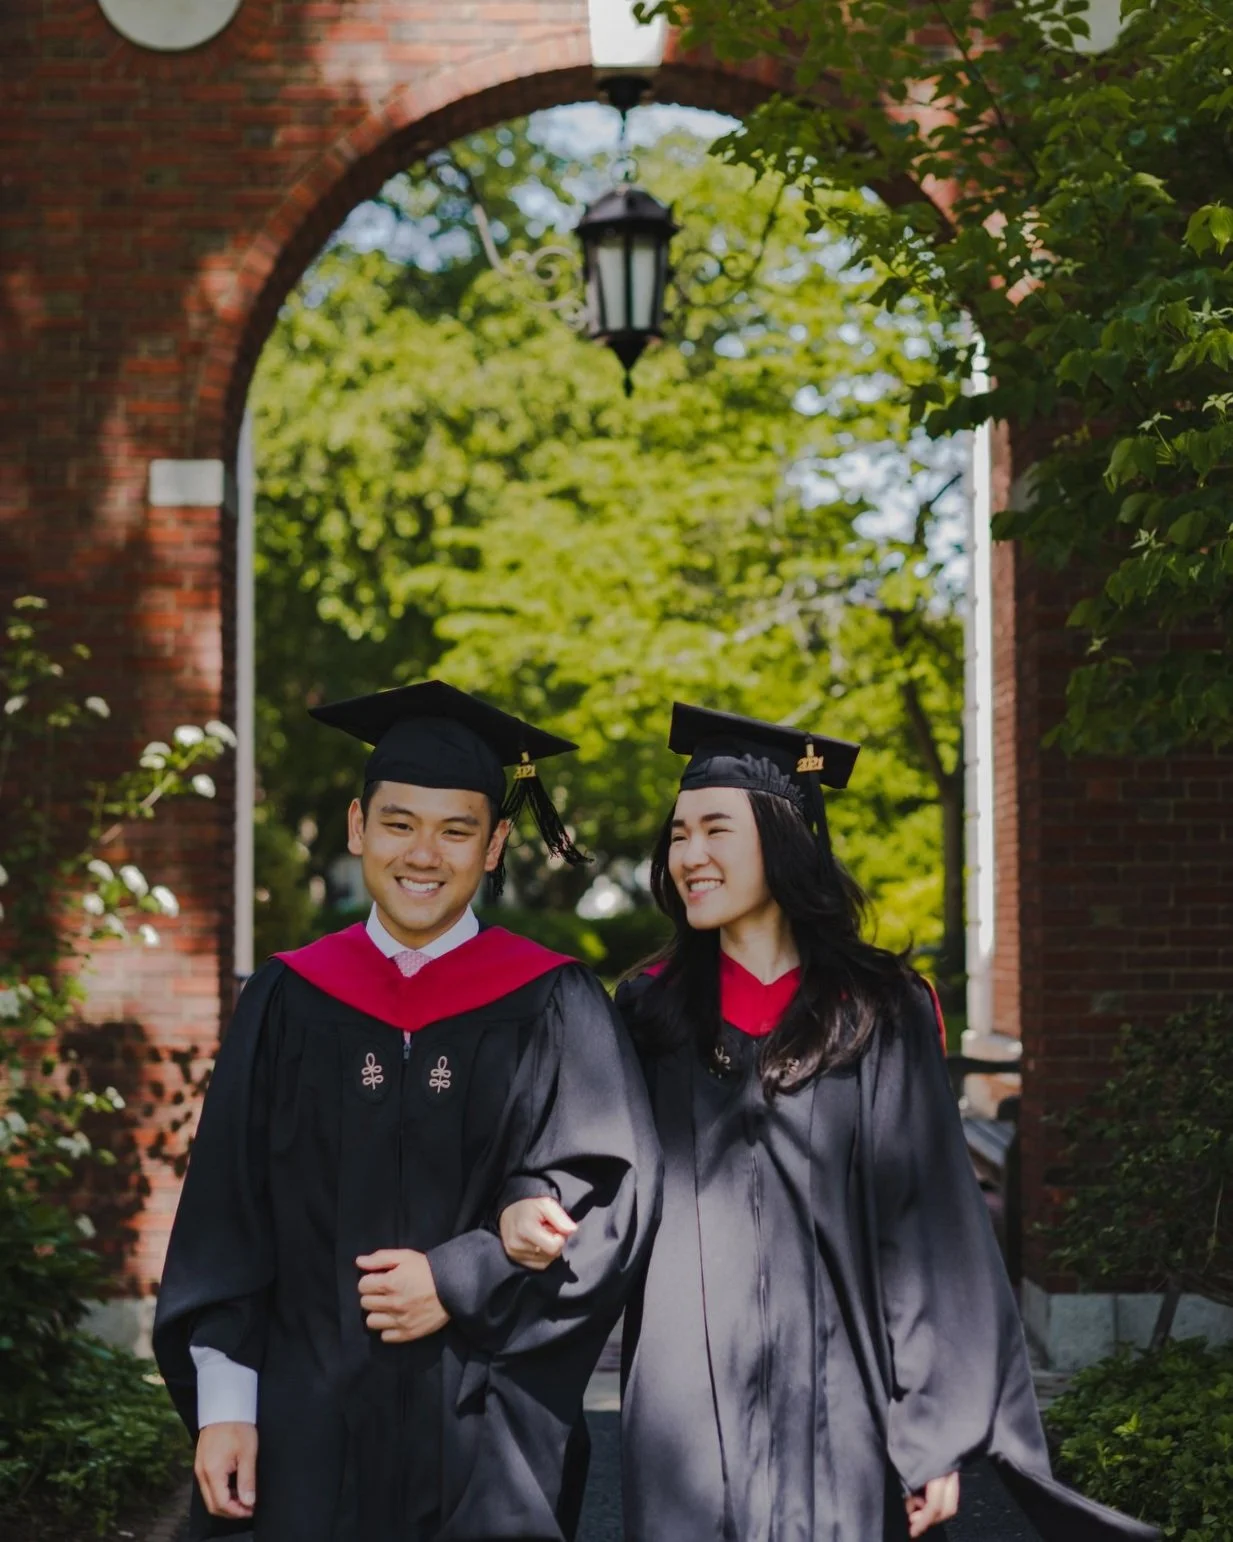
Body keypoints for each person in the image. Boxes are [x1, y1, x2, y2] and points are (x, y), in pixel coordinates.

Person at [611, 703, 1159, 1542]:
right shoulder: (650, 1011)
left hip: (841, 1396)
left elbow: (929, 1225)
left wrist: (930, 1430)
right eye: (678, 834)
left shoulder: (875, 1010)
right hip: (686, 1403)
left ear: (783, 836)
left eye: (714, 829)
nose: (688, 856)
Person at [154, 682, 662, 1542]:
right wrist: (226, 1407)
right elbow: (226, 1217)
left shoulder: (554, 1004)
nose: (423, 854)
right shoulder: (288, 998)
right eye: (398, 824)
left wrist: (462, 1281)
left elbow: (609, 1202)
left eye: (456, 830)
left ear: (495, 844)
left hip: (488, 1434)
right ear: (357, 828)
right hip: (302, 1428)